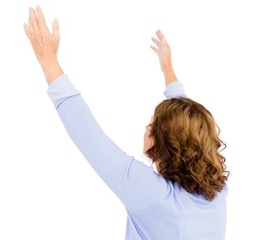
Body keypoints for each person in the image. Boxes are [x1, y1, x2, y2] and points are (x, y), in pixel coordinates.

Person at [24, 5, 229, 240]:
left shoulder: (153, 197)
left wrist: (48, 61)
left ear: (169, 144)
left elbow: (90, 137)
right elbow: (191, 126)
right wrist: (168, 71)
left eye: (153, 125)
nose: (146, 127)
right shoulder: (217, 193)